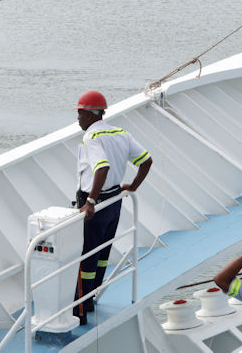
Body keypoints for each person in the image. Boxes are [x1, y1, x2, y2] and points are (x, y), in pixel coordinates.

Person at [73, 90, 152, 325]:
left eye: (79, 113)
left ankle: (80, 309)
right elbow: (146, 161)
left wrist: (89, 203)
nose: (77, 119)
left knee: (86, 255)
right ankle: (91, 297)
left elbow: (102, 167)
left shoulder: (91, 137)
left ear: (89, 114)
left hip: (95, 204)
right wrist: (133, 186)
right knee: (102, 254)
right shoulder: (121, 133)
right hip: (114, 201)